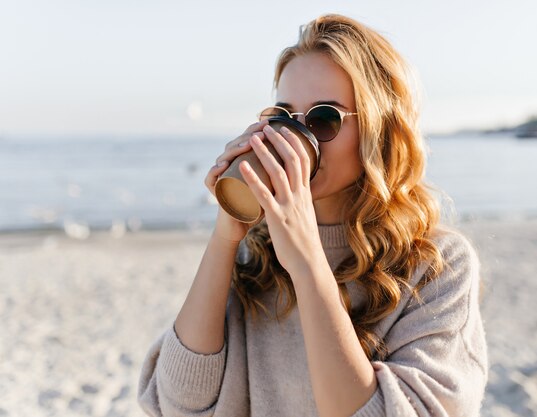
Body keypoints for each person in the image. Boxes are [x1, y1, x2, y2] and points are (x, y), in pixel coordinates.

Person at [137, 13, 488, 417]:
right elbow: (176, 404)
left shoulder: (438, 266)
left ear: (378, 129)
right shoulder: (255, 253)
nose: (294, 137)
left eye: (323, 119)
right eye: (283, 118)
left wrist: (308, 268)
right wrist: (226, 236)